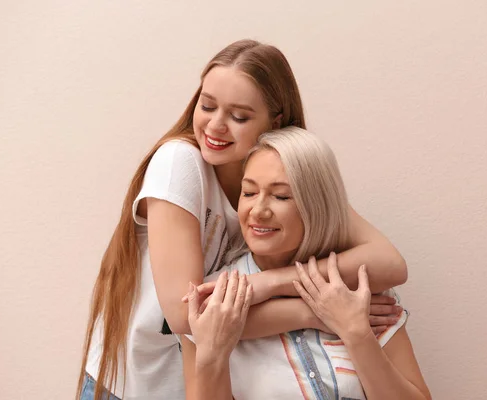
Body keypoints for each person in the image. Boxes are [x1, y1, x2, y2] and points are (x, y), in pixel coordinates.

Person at [77, 39, 408, 400]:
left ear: (275, 122)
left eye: (239, 117)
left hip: (199, 382)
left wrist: (272, 283)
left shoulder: (285, 172)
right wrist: (319, 312)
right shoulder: (180, 163)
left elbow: (390, 263)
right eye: (207, 106)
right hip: (136, 385)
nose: (216, 126)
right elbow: (188, 319)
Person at [183, 128, 430, 400]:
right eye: (249, 192)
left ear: (317, 204)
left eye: (281, 196)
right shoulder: (214, 301)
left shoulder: (359, 287)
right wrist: (212, 355)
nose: (259, 211)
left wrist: (356, 332)